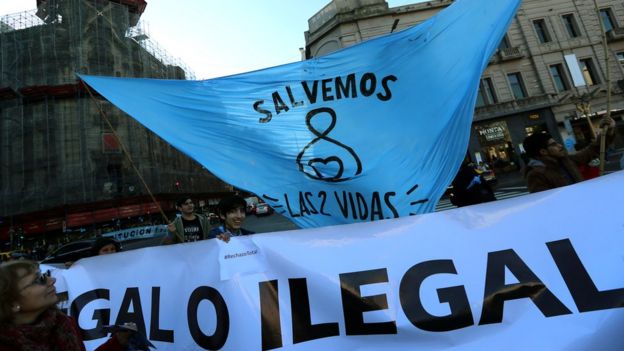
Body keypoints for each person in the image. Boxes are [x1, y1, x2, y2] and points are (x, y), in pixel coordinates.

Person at [0, 260, 128, 351]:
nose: (52, 280)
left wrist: (118, 341)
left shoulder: (64, 324)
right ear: (12, 304)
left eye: (44, 276)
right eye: (38, 280)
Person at [522, 117, 616, 193]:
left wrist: (608, 131)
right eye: (553, 145)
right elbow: (544, 203)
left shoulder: (567, 160)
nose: (560, 146)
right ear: (543, 151)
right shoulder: (536, 174)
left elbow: (592, 150)